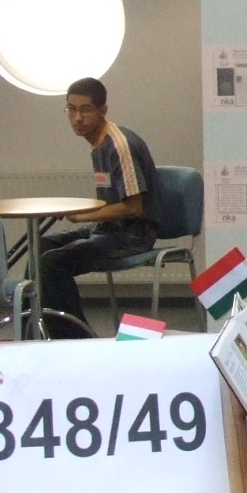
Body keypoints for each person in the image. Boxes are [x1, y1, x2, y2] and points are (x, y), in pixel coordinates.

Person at [38, 77, 162, 338]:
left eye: (85, 110)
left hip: (132, 234)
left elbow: (134, 207)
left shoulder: (119, 145)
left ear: (103, 110)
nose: (77, 118)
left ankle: (76, 338)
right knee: (41, 246)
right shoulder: (97, 144)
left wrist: (84, 215)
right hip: (108, 229)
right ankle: (38, 329)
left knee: (52, 263)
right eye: (71, 109)